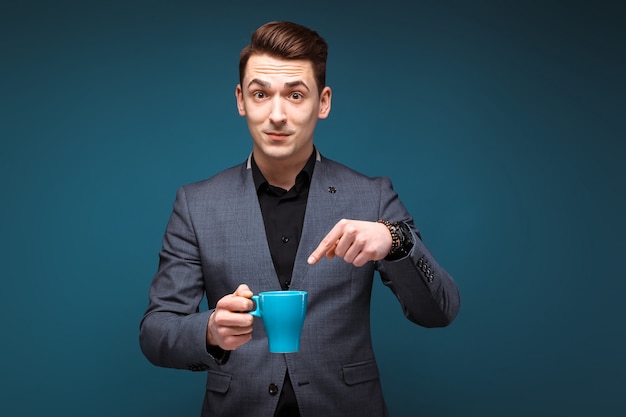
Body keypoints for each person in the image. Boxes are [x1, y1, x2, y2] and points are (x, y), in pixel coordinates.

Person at [139, 21, 460, 417]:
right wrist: (210, 330)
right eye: (261, 94)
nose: (277, 114)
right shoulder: (196, 203)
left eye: (295, 94)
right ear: (241, 100)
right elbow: (156, 332)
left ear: (322, 103)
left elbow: (441, 310)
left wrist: (395, 240)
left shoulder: (372, 196)